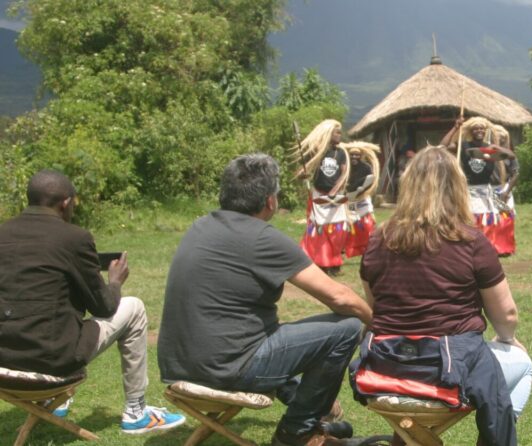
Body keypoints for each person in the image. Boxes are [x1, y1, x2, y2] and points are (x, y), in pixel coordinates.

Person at [159, 154, 374, 446]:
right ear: (270, 201)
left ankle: (308, 408)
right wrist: (379, 322)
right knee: (346, 326)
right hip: (227, 369)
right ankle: (297, 431)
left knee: (270, 331)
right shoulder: (262, 238)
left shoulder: (200, 225)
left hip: (181, 365)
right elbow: (340, 297)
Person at [353, 146, 532, 445]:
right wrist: (508, 339)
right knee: (522, 363)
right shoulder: (470, 241)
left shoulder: (378, 240)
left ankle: (411, 438)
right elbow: (507, 316)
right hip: (445, 371)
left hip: (386, 368)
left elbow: (374, 308)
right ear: (458, 188)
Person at [0, 170, 186, 434]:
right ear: (66, 202)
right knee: (133, 308)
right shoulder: (74, 238)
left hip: (4, 364)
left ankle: (55, 401)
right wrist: (115, 282)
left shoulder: (3, 232)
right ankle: (136, 412)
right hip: (51, 363)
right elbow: (104, 307)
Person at [441, 116, 517, 256]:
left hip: (486, 190)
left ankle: (486, 248)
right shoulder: (464, 145)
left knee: (487, 219)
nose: (479, 131)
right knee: (471, 218)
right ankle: (469, 248)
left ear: (485, 130)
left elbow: (511, 156)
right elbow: (443, 146)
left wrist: (496, 147)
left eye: (481, 128)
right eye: (476, 128)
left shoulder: (490, 148)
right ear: (471, 131)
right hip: (469, 189)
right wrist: (455, 128)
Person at [297, 119, 349, 276]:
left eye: (340, 132)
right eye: (337, 132)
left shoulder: (340, 153)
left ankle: (334, 263)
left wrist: (335, 190)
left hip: (335, 198)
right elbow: (301, 172)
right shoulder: (317, 151)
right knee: (318, 230)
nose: (340, 135)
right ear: (328, 134)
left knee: (336, 231)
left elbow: (344, 174)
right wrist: (303, 174)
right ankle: (319, 262)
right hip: (319, 195)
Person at [341, 142, 380, 258]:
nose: (354, 157)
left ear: (361, 156)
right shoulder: (346, 168)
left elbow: (370, 180)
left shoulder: (366, 167)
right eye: (352, 155)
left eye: (356, 155)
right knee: (350, 222)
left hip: (362, 199)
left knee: (367, 222)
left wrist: (362, 189)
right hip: (351, 199)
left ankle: (371, 244)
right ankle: (348, 246)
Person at [491, 125, 519, 257]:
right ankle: (492, 247)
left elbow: (515, 174)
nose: (500, 139)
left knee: (506, 219)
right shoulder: (487, 153)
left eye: (502, 137)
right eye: (497, 137)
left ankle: (506, 247)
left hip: (504, 187)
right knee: (491, 219)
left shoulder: (509, 155)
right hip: (488, 189)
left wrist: (506, 192)